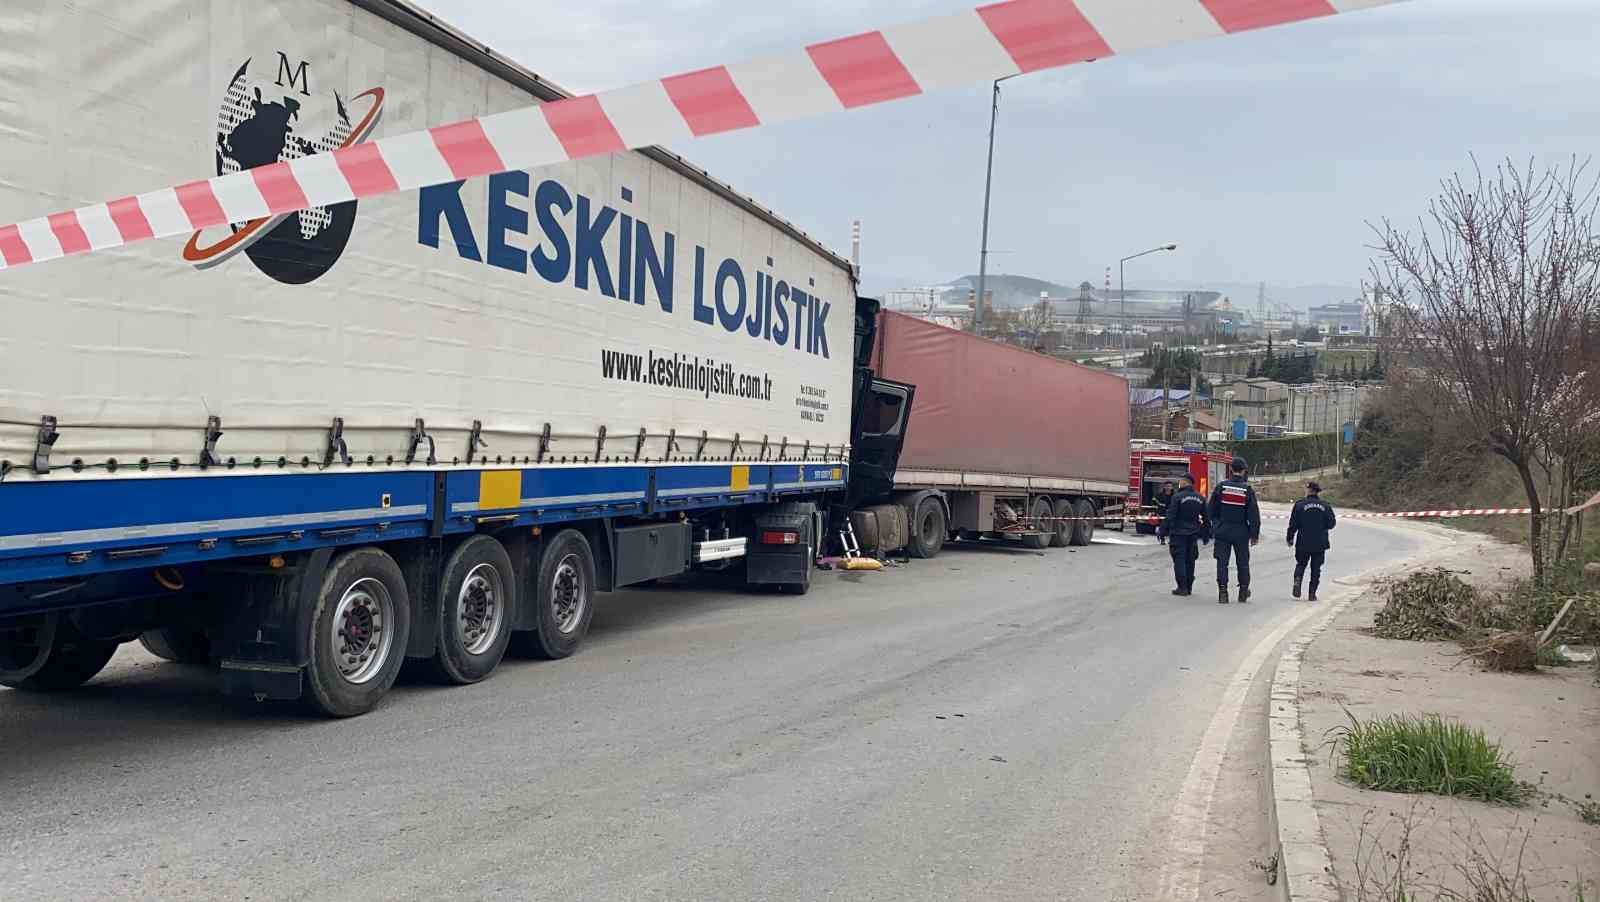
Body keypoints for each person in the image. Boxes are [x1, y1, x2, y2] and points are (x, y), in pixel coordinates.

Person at [1207, 456, 1261, 604]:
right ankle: (1243, 591)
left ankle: (1223, 592)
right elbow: (1254, 515)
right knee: (1242, 563)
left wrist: (1215, 525)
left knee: (1222, 562)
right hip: (1241, 532)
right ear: (1243, 471)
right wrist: (1254, 534)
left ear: (1230, 469)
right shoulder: (1247, 490)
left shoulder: (1221, 487)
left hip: (1223, 531)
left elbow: (1210, 510)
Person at [1156, 473, 1210, 596]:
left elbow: (1171, 516)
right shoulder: (1200, 498)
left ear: (1185, 482)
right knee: (1190, 560)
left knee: (1179, 560)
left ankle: (1182, 587)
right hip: (1193, 534)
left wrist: (1162, 531)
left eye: (1181, 481)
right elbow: (1207, 518)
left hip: (1178, 534)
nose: (1179, 483)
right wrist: (1206, 533)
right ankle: (1189, 586)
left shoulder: (1177, 497)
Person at [1286, 481, 1337, 601]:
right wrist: (1321, 526)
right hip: (1320, 542)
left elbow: (1293, 524)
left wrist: (1290, 537)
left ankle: (1297, 581)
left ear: (1309, 490)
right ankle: (1312, 593)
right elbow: (1331, 523)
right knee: (1316, 568)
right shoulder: (1325, 506)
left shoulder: (1299, 505)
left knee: (1301, 564)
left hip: (1303, 541)